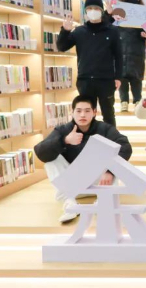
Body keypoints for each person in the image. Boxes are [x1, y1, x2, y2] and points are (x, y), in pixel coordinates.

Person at [34, 94, 132, 223]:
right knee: (51, 161)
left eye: (87, 111)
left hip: (100, 182)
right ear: (72, 112)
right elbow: (40, 152)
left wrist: (110, 171)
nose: (82, 115)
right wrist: (64, 141)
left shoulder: (104, 129)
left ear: (94, 112)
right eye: (78, 111)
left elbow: (126, 147)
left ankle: (103, 201)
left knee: (111, 152)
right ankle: (70, 204)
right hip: (73, 186)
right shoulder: (63, 130)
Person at [57, 0, 122, 126]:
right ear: (85, 11)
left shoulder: (112, 31)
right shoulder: (79, 31)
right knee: (86, 115)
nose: (93, 11)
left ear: (101, 11)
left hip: (106, 81)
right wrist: (65, 31)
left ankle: (111, 138)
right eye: (90, 8)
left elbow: (119, 56)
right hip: (85, 80)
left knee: (108, 114)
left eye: (96, 8)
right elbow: (62, 47)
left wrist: (118, 77)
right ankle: (87, 138)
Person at [105, 0, 146, 112]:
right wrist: (108, 13)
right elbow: (105, 25)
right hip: (120, 50)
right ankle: (124, 101)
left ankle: (137, 101)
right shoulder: (117, 11)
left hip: (137, 51)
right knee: (122, 76)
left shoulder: (144, 13)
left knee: (136, 78)